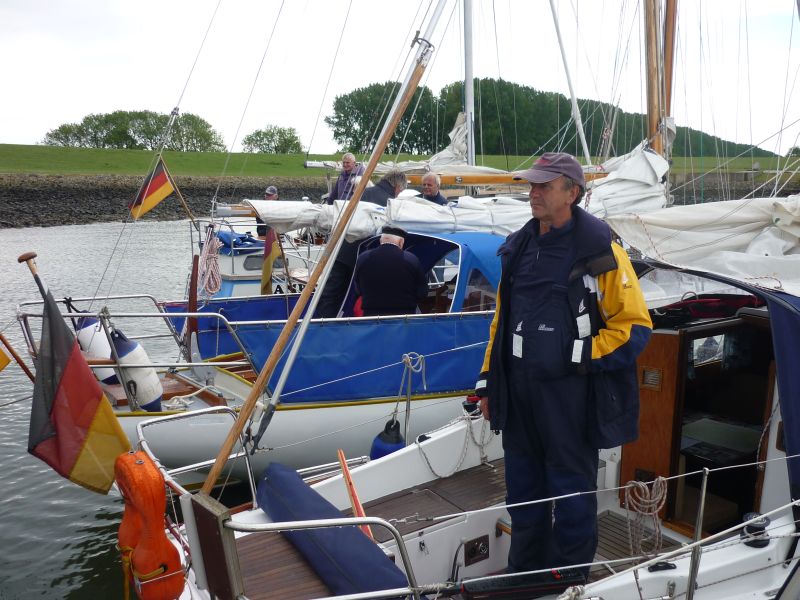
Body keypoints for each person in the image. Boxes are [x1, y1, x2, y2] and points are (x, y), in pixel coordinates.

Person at [473, 152, 652, 579]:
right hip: (519, 397)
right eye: (532, 185)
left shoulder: (601, 254)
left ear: (572, 193)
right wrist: (487, 383)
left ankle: (569, 580)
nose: (533, 193)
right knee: (523, 495)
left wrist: (576, 354)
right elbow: (502, 322)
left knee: (572, 497)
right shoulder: (518, 248)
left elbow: (634, 327)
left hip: (569, 398)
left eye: (544, 186)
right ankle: (523, 576)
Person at [314, 169, 408, 318]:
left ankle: (321, 323)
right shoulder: (391, 204)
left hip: (341, 252)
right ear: (397, 187)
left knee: (330, 295)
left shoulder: (361, 193)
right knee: (360, 296)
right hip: (363, 258)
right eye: (400, 191)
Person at [353, 226, 427, 316]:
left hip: (371, 315)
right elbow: (422, 292)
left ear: (381, 240)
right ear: (401, 242)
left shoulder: (363, 258)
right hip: (404, 316)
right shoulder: (411, 259)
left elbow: (358, 289)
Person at [259, 185, 281, 295]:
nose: (266, 196)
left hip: (276, 237)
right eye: (266, 195)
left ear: (276, 196)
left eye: (269, 195)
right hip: (264, 237)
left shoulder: (281, 208)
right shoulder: (259, 207)